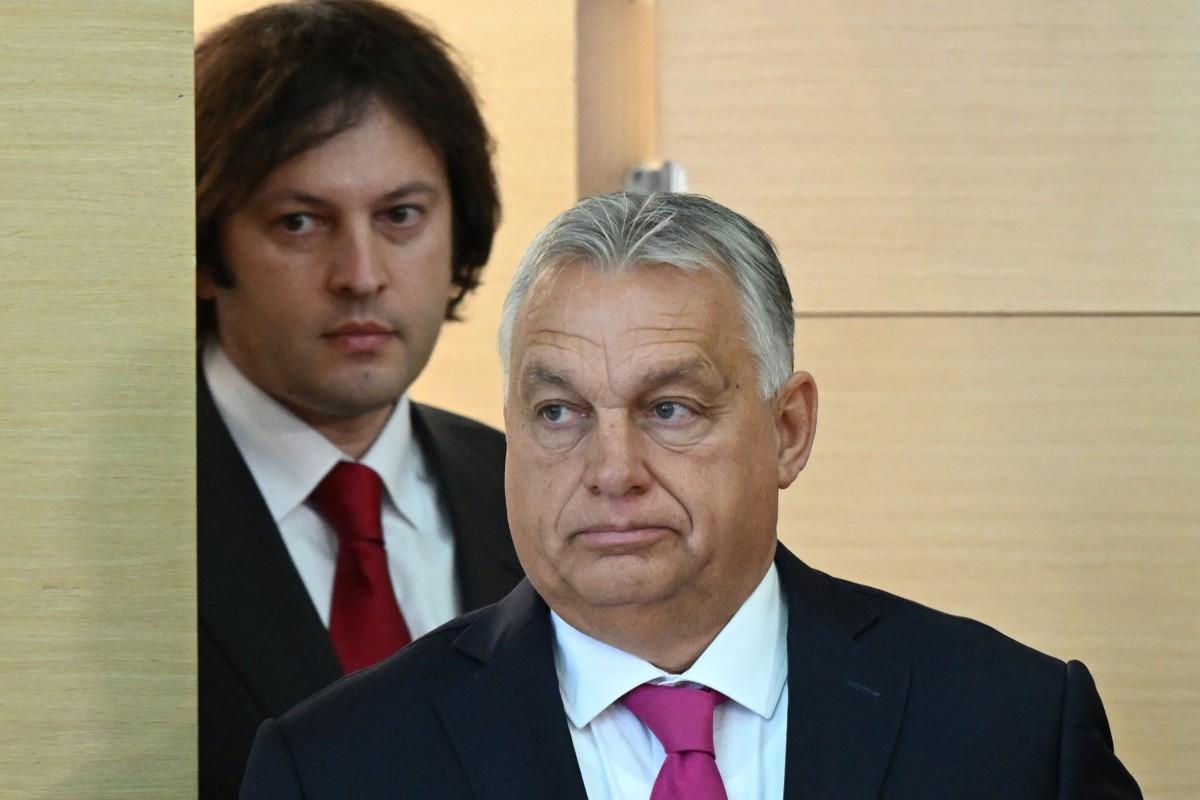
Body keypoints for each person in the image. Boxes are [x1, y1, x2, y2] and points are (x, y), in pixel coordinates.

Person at [239, 192, 1141, 799]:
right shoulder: (335, 768)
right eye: (559, 411)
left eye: (669, 407)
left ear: (787, 431)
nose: (611, 468)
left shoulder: (1013, 730)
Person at [195, 1, 524, 797]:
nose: (362, 273)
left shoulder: (534, 487)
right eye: (301, 222)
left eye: (400, 216)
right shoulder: (105, 513)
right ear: (204, 250)